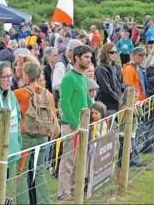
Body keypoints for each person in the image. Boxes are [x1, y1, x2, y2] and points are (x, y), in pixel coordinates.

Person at [14, 62, 59, 205]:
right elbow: (53, 117)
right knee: (39, 172)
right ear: (39, 75)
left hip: (25, 136)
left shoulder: (18, 94)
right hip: (43, 136)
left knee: (21, 174)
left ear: (26, 75)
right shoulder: (48, 94)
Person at [58, 45, 94, 200]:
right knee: (68, 160)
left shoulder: (84, 78)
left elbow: (87, 100)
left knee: (79, 159)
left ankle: (73, 189)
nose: (89, 60)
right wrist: (74, 123)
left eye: (90, 57)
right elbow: (64, 103)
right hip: (71, 125)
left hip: (83, 124)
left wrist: (96, 112)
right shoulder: (68, 78)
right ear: (77, 58)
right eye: (86, 57)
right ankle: (63, 192)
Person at [95, 44, 124, 116]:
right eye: (112, 52)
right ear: (105, 53)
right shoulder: (101, 69)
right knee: (109, 126)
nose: (114, 54)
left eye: (116, 52)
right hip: (107, 106)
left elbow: (121, 85)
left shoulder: (117, 67)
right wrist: (120, 100)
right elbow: (107, 90)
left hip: (118, 104)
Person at [52, 39, 83, 106]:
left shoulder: (71, 62)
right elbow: (57, 85)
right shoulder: (60, 64)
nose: (80, 55)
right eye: (78, 52)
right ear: (70, 50)